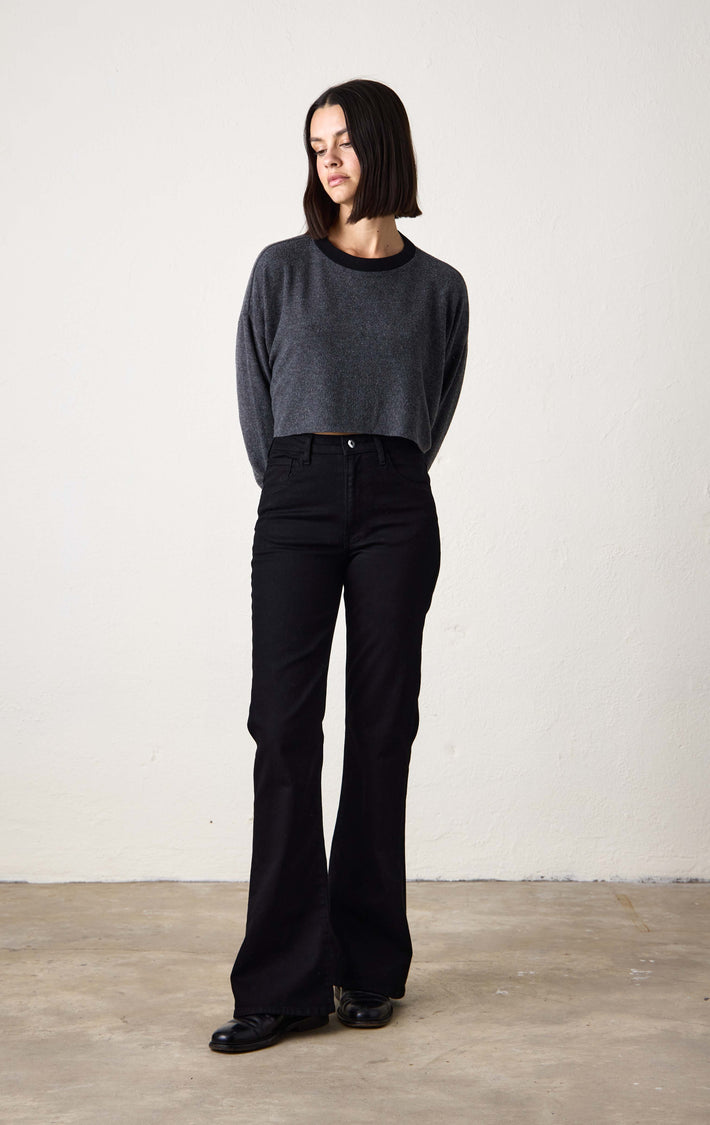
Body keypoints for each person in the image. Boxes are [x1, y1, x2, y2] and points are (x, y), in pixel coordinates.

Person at [210, 77, 470, 1054]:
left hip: (398, 499)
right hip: (299, 491)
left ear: (383, 146)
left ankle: (367, 966)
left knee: (382, 728)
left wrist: (379, 471)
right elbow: (257, 397)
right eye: (316, 144)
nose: (328, 159)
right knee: (283, 730)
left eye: (344, 141)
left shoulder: (440, 287)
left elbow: (434, 407)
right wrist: (303, 478)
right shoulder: (281, 270)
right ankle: (281, 985)